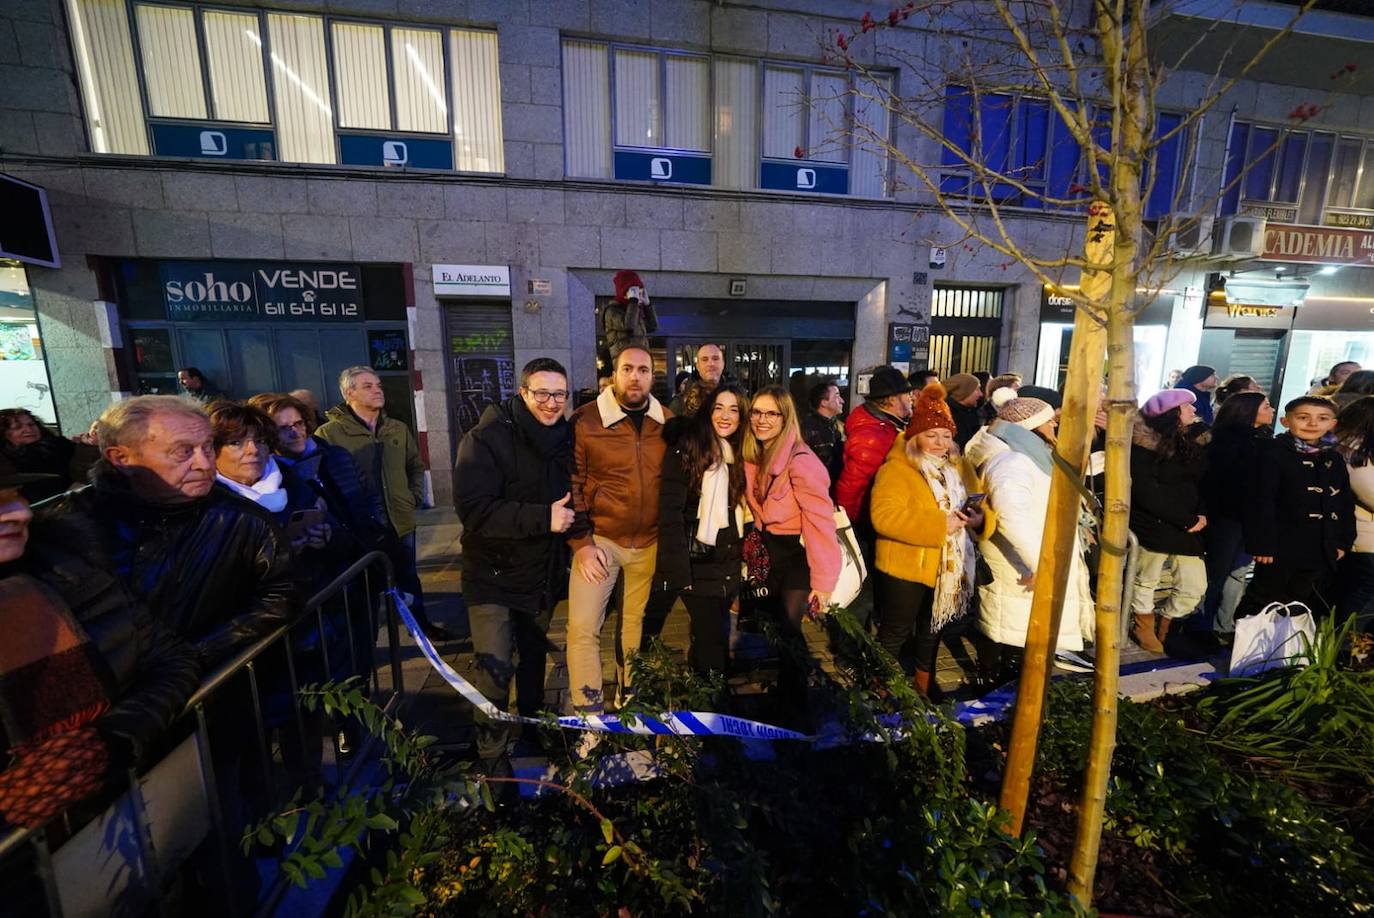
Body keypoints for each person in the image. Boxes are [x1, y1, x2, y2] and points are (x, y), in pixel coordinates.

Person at [0, 472, 200, 831]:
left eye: (14, 493)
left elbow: (170, 658)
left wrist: (112, 740)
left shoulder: (70, 568)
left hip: (143, 812)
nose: (18, 512)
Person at [36, 395, 299, 665]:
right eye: (183, 452)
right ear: (121, 458)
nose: (204, 464)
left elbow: (282, 594)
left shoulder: (245, 519)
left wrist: (194, 657)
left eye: (207, 448)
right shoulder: (63, 523)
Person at [455, 358, 573, 777]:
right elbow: (475, 511)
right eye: (542, 393)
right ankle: (492, 757)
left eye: (559, 394)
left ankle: (532, 724)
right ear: (523, 392)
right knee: (494, 669)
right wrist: (544, 519)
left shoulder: (565, 436)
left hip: (541, 572)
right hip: (493, 575)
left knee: (533, 657)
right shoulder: (486, 437)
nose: (551, 403)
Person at [565, 345, 670, 713]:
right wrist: (581, 542)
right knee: (582, 629)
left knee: (633, 626)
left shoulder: (665, 422)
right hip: (600, 541)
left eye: (643, 369)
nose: (635, 376)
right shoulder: (585, 420)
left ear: (652, 376)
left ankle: (630, 695)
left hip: (649, 541)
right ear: (613, 374)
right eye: (628, 368)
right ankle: (589, 715)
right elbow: (572, 482)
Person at [964, 397, 1094, 682]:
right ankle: (997, 689)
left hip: (1027, 561)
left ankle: (1005, 686)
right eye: (1048, 420)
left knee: (1016, 631)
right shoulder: (1013, 460)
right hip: (1021, 565)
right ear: (1031, 427)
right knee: (1010, 633)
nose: (1054, 424)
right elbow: (1011, 514)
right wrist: (1040, 563)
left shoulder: (1029, 456)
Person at [317, 367, 452, 641]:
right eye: (368, 386)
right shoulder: (329, 434)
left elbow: (415, 465)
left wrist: (412, 496)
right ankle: (364, 639)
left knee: (408, 577)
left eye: (378, 385)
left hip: (399, 520)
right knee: (363, 585)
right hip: (360, 526)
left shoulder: (397, 428)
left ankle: (421, 628)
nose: (378, 390)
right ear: (348, 393)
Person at [869, 383, 983, 698]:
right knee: (895, 631)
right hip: (906, 565)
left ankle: (923, 685)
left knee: (933, 629)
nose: (939, 443)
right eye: (931, 435)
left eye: (946, 435)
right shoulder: (898, 469)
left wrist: (979, 519)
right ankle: (879, 689)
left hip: (946, 563)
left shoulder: (956, 467)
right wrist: (937, 525)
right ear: (915, 436)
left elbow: (978, 503)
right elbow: (884, 517)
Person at [742, 385, 839, 727]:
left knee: (791, 633)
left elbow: (820, 523)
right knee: (781, 633)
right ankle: (785, 702)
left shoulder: (801, 462)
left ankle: (799, 717)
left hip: (797, 556)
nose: (761, 420)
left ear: (785, 418)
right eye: (756, 412)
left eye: (771, 414)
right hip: (771, 553)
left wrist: (824, 582)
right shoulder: (756, 454)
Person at [657, 383, 749, 680]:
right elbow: (669, 513)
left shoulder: (737, 452)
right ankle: (713, 708)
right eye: (719, 407)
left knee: (712, 636)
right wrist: (679, 571)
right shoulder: (688, 447)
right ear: (708, 410)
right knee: (712, 644)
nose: (725, 416)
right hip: (697, 564)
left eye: (734, 409)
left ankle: (702, 698)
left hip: (727, 564)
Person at [1235, 395, 1355, 621]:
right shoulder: (1271, 452)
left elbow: (1344, 502)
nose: (1312, 424)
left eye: (1322, 418)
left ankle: (1285, 645)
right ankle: (1246, 645)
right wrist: (1263, 544)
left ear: (1333, 424)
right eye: (1303, 417)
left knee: (1302, 598)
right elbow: (1260, 501)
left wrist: (1343, 541)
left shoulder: (1334, 457)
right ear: (1285, 421)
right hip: (1281, 542)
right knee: (1264, 596)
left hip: (1321, 542)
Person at [1127, 390, 1210, 653]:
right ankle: (1143, 626)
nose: (1193, 412)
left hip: (1188, 523)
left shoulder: (1188, 443)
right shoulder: (1140, 448)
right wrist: (1185, 519)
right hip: (1155, 523)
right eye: (1188, 407)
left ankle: (1168, 626)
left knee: (1194, 584)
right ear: (1173, 413)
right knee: (1146, 578)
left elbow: (1198, 483)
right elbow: (1145, 492)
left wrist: (1198, 516)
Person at [1201, 392, 1275, 638]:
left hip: (1243, 518)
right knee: (1220, 572)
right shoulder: (1233, 443)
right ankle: (1203, 625)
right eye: (1266, 406)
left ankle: (1223, 625)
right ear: (1248, 411)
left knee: (1237, 572)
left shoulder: (1259, 439)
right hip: (1229, 517)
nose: (1272, 409)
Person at [835, 366, 913, 533]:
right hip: (868, 521)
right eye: (907, 394)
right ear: (892, 399)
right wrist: (848, 527)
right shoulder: (873, 437)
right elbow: (851, 486)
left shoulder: (887, 426)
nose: (911, 399)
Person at [1334, 396, 1374, 635]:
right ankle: (1344, 651)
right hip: (1365, 537)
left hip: (1364, 536)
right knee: (1363, 601)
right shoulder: (1354, 452)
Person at [0, 407, 99, 503]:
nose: (28, 429)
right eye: (18, 427)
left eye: (31, 424)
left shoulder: (61, 446)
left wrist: (87, 446)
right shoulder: (4, 462)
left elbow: (83, 471)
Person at [600, 270, 658, 366]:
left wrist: (647, 305)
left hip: (640, 361)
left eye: (640, 292)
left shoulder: (634, 312)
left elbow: (653, 326)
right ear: (624, 292)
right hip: (625, 365)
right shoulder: (612, 311)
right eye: (634, 292)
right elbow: (629, 326)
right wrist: (633, 301)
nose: (638, 296)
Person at [801, 379, 846, 487]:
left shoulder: (840, 427)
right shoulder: (806, 429)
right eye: (836, 396)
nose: (842, 401)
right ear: (824, 402)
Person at [669, 343, 728, 417]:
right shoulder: (680, 403)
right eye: (704, 359)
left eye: (715, 358)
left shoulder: (737, 397)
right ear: (698, 366)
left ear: (723, 364)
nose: (710, 363)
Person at [944, 373, 984, 448]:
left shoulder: (972, 412)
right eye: (977, 390)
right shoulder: (947, 415)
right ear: (964, 392)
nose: (981, 394)